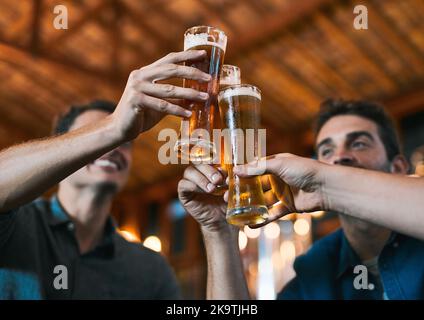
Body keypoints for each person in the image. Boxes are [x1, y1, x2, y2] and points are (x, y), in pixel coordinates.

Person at [0, 49, 212, 299]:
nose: (113, 148)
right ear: (64, 151)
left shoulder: (151, 269)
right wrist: (112, 128)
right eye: (95, 136)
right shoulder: (17, 223)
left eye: (126, 140)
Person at [178, 99, 424, 299]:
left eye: (358, 144)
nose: (339, 158)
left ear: (398, 167)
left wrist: (326, 185)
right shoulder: (315, 270)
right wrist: (219, 231)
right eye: (326, 151)